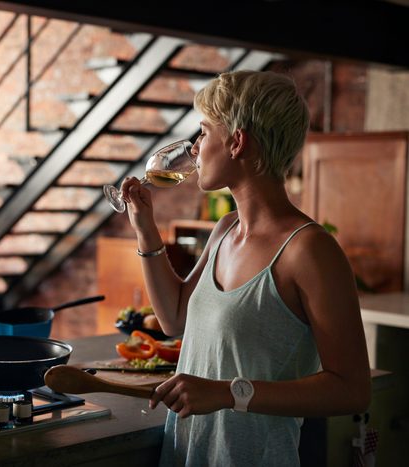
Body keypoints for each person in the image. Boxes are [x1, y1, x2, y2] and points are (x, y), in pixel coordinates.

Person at [120, 70, 371, 466]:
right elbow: (173, 319)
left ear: (237, 143)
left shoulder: (310, 250)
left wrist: (227, 393)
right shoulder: (225, 230)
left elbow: (352, 390)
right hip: (188, 453)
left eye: (203, 133)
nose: (195, 148)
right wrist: (145, 231)